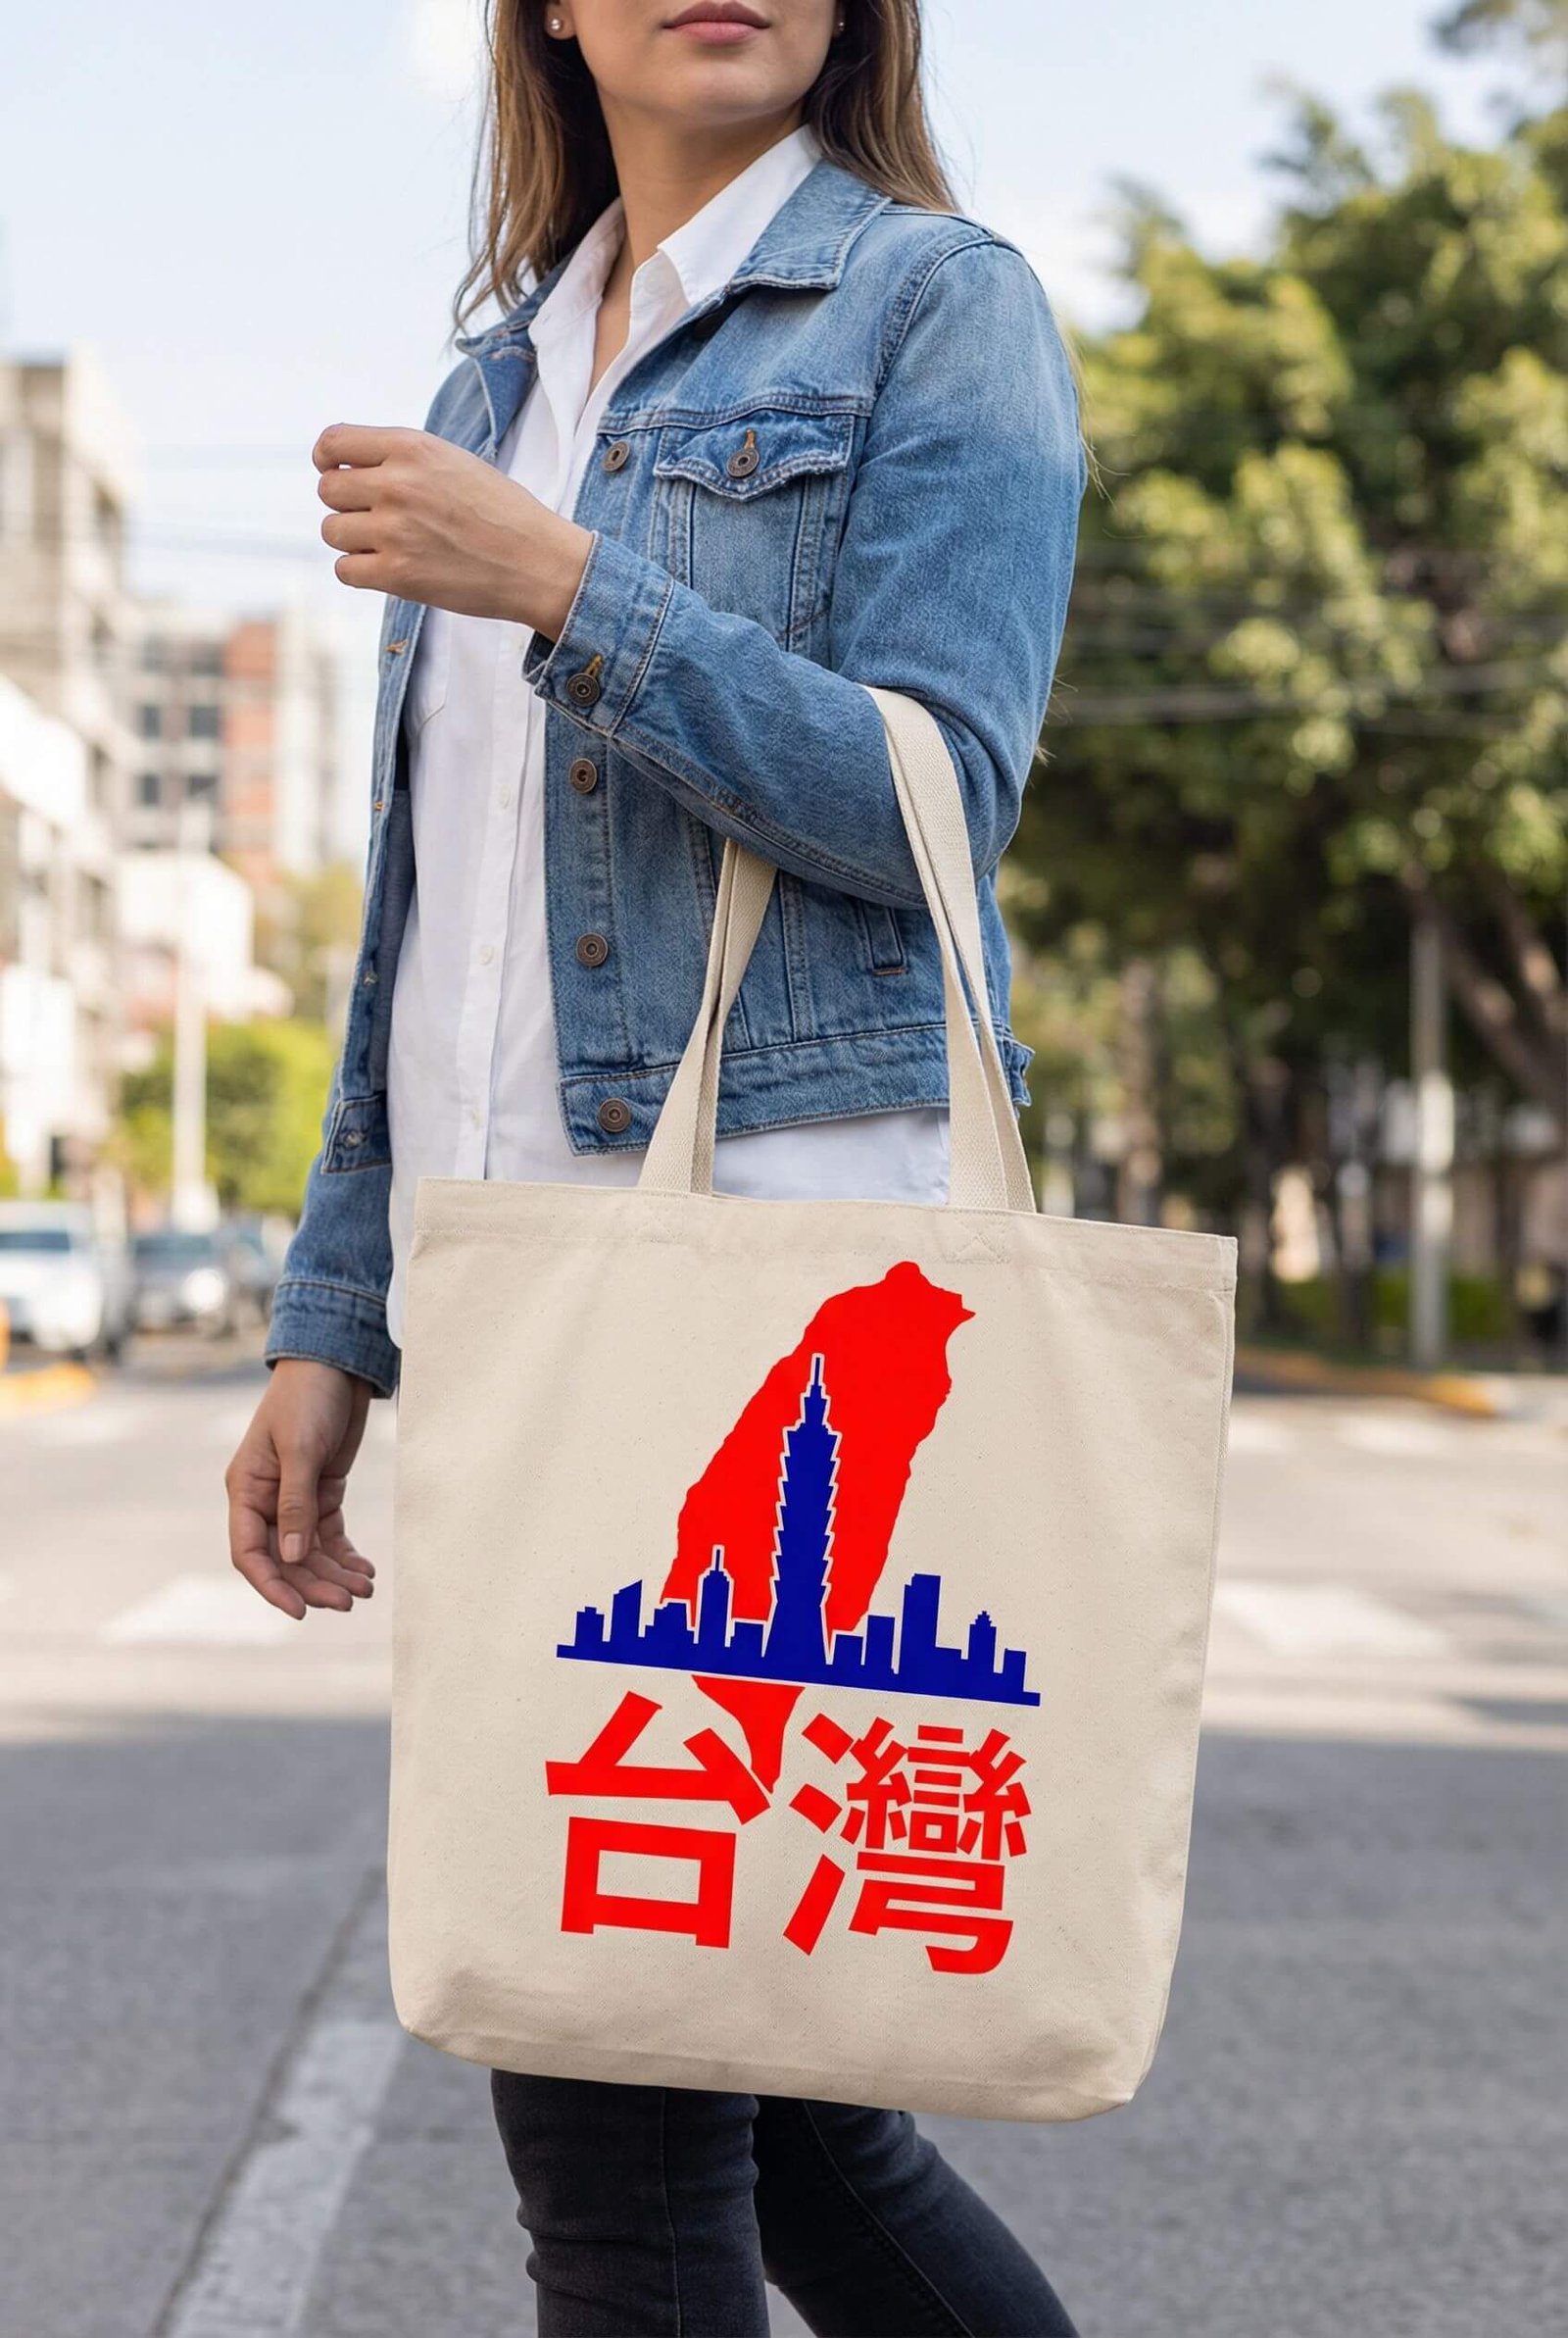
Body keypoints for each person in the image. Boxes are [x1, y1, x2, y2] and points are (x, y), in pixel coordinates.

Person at [225, 2, 1087, 2328]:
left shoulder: (933, 306)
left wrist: (569, 587)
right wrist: (336, 1322)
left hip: (773, 1342)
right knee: (791, 2129)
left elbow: (930, 805)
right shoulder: (504, 378)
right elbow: (435, 930)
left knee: (615, 2147)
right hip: (523, 1323)